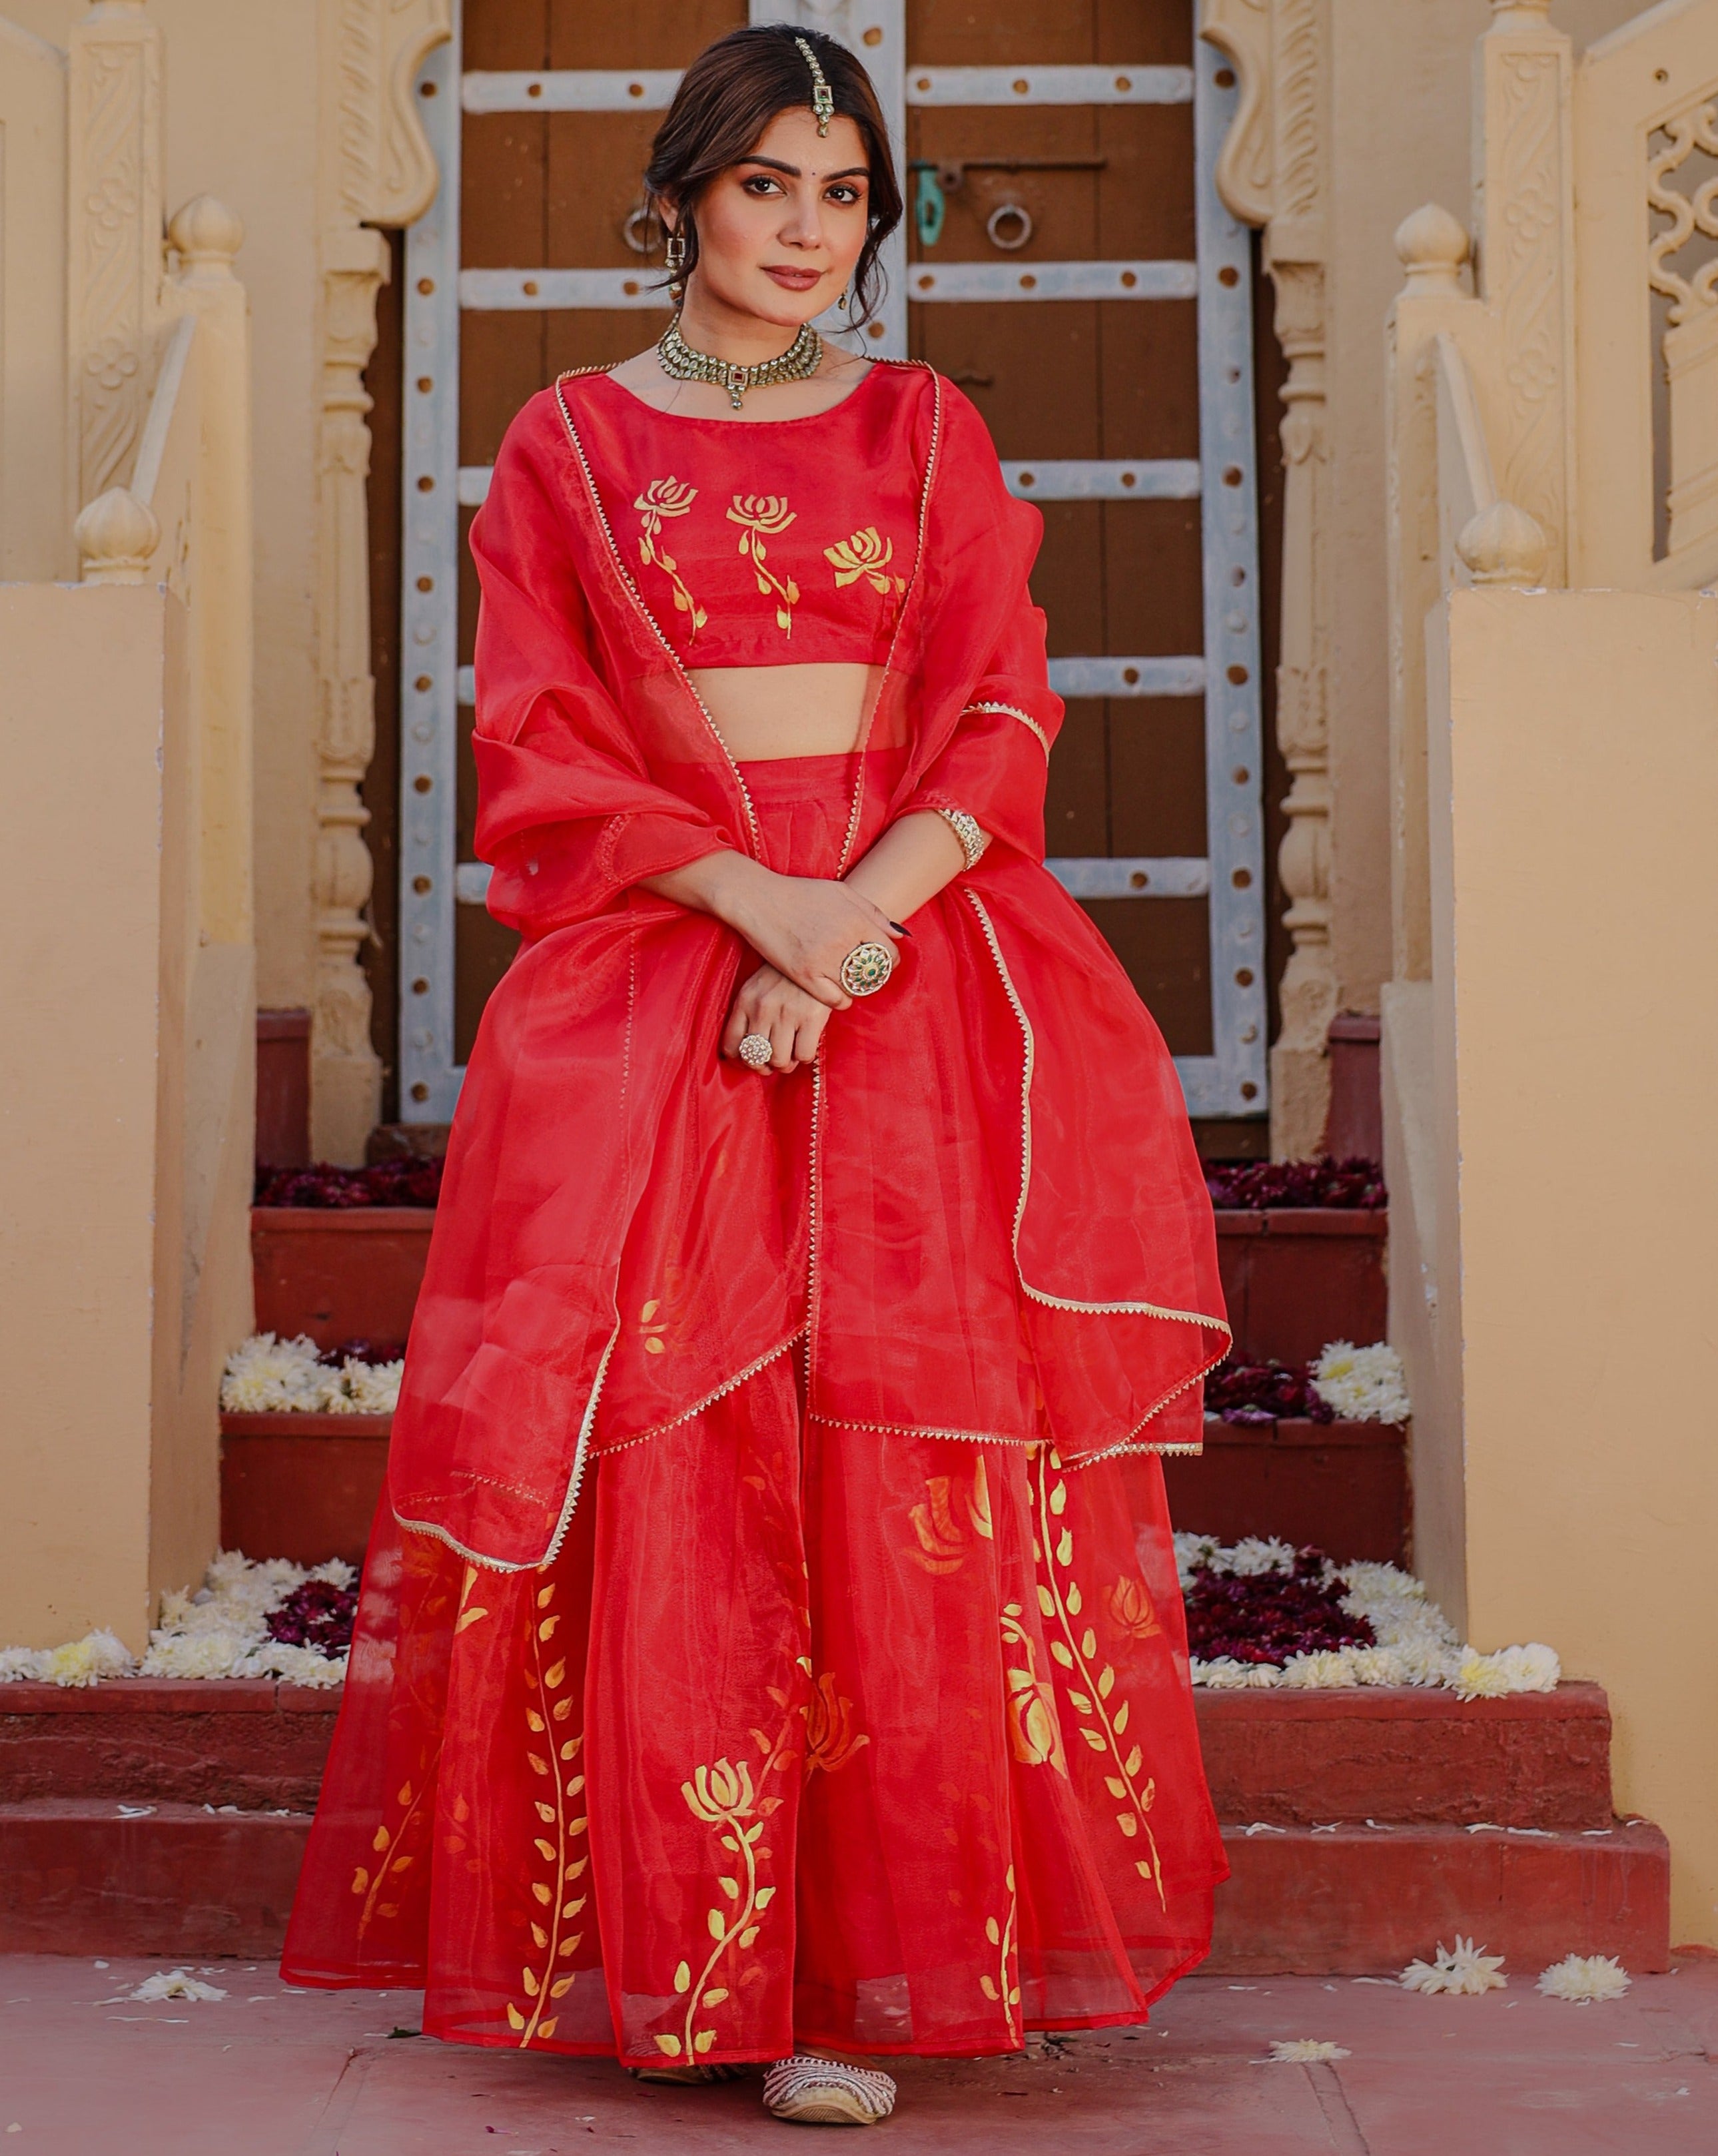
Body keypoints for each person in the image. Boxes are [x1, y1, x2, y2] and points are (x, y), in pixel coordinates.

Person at [282, 23, 1230, 2129]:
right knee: (690, 1459)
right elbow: (540, 746)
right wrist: (765, 920)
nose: (806, 231)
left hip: (912, 976)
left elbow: (995, 714)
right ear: (684, 193)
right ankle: (717, 1974)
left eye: (842, 193)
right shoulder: (565, 442)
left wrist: (853, 925)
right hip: (663, 969)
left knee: (898, 1469)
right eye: (766, 185)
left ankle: (889, 1963)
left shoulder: (924, 437)